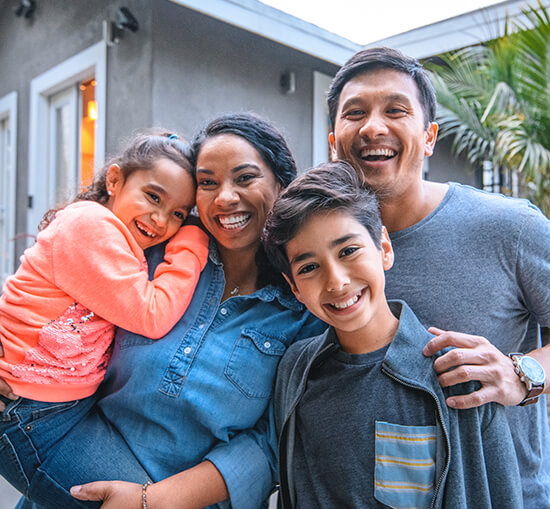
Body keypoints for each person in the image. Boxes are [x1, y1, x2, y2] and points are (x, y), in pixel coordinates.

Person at [2, 113, 325, 509]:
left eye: (245, 178)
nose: (225, 197)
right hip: (65, 470)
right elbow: (40, 298)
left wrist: (153, 500)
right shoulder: (149, 254)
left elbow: (272, 442)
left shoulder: (301, 307)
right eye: (208, 182)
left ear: (280, 184)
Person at [326, 46, 550, 506]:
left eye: (395, 110)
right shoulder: (313, 251)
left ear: (428, 137)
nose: (372, 127)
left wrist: (522, 375)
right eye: (355, 113)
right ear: (333, 141)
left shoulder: (510, 227)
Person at [262, 161, 522, 508]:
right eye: (309, 267)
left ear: (384, 248)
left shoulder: (458, 374)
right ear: (295, 289)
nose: (336, 281)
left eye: (348, 251)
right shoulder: (295, 371)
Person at [0, 129, 209, 501]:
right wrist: (193, 239)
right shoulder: (91, 227)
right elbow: (153, 313)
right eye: (152, 196)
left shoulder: (119, 239)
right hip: (27, 413)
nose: (161, 220)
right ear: (115, 180)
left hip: (62, 409)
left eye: (178, 213)